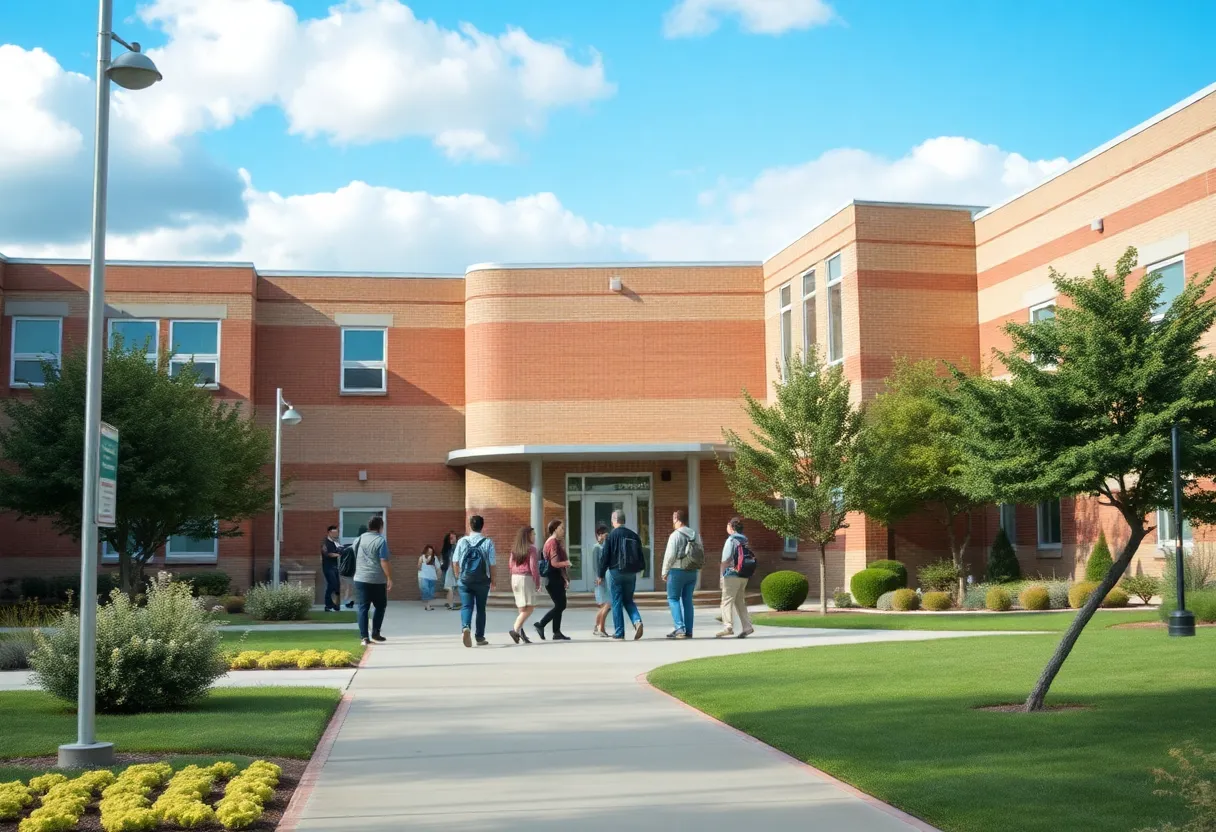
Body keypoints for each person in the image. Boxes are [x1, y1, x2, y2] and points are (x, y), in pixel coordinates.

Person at [597, 509, 644, 640]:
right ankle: (637, 621)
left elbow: (605, 557)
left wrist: (600, 574)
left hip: (615, 572)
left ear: (614, 521)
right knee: (628, 600)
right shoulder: (634, 535)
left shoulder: (611, 536)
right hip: (631, 573)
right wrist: (639, 569)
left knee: (617, 601)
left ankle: (619, 632)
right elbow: (640, 555)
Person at [453, 515, 497, 647]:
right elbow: (492, 564)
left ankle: (466, 627)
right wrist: (493, 580)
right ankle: (479, 637)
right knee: (481, 609)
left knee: (467, 606)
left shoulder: (462, 541)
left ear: (470, 525)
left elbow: (455, 561)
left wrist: (458, 576)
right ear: (482, 526)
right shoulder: (487, 542)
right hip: (482, 581)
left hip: (465, 580)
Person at [661, 509, 703, 639]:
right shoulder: (695, 534)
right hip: (692, 571)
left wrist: (664, 571)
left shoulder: (675, 535)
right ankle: (689, 630)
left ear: (678, 520)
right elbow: (700, 551)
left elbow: (670, 555)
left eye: (674, 519)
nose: (673, 522)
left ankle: (679, 628)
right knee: (687, 601)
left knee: (673, 598)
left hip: (677, 570)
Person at [353, 515, 393, 647]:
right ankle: (375, 632)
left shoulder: (359, 539)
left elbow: (354, 553)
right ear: (380, 527)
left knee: (363, 607)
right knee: (380, 606)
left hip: (360, 578)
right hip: (377, 579)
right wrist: (389, 577)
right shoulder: (381, 541)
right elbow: (384, 560)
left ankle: (364, 637)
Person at [534, 519, 572, 641]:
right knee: (561, 605)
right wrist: (566, 563)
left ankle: (557, 632)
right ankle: (541, 624)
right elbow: (555, 563)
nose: (563, 530)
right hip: (553, 578)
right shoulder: (552, 543)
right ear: (555, 529)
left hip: (555, 578)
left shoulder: (553, 542)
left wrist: (565, 578)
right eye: (561, 528)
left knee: (559, 605)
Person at [717, 517, 754, 639]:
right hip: (744, 574)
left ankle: (728, 626)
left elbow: (726, 559)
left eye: (728, 525)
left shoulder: (731, 540)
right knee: (739, 601)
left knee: (726, 601)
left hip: (731, 574)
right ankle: (747, 627)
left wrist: (722, 574)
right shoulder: (745, 540)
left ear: (731, 527)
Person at [507, 526, 540, 644]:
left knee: (522, 608)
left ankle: (521, 634)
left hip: (515, 578)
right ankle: (515, 629)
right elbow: (533, 567)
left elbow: (510, 565)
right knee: (530, 607)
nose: (534, 536)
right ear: (528, 536)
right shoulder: (531, 549)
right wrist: (537, 582)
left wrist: (513, 578)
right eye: (533, 534)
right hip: (526, 578)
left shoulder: (515, 549)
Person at [591, 524, 610, 637]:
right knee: (606, 604)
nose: (604, 536)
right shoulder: (596, 548)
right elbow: (596, 565)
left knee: (605, 605)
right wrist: (599, 577)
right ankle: (600, 628)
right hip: (600, 579)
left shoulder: (605, 546)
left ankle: (597, 626)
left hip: (607, 578)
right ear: (598, 535)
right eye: (603, 534)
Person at [320, 524, 343, 612]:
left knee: (337, 586)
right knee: (332, 585)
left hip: (335, 567)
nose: (337, 534)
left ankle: (336, 605)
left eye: (337, 532)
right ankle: (328, 605)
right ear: (329, 532)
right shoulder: (324, 543)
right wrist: (338, 554)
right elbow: (327, 554)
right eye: (335, 532)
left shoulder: (336, 542)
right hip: (328, 567)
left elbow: (340, 549)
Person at [440, 530, 459, 610]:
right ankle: (451, 605)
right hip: (451, 570)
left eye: (454, 537)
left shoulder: (446, 549)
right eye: (452, 537)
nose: (454, 539)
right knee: (450, 588)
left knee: (449, 588)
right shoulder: (453, 548)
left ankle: (450, 603)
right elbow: (454, 560)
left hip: (448, 570)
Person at [418, 544, 439, 611]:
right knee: (425, 590)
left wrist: (438, 575)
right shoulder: (422, 557)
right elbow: (418, 567)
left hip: (432, 577)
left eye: (431, 551)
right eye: (428, 551)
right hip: (423, 577)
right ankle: (427, 606)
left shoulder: (435, 558)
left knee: (430, 592)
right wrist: (422, 563)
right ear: (426, 551)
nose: (430, 553)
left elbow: (438, 568)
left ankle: (428, 605)